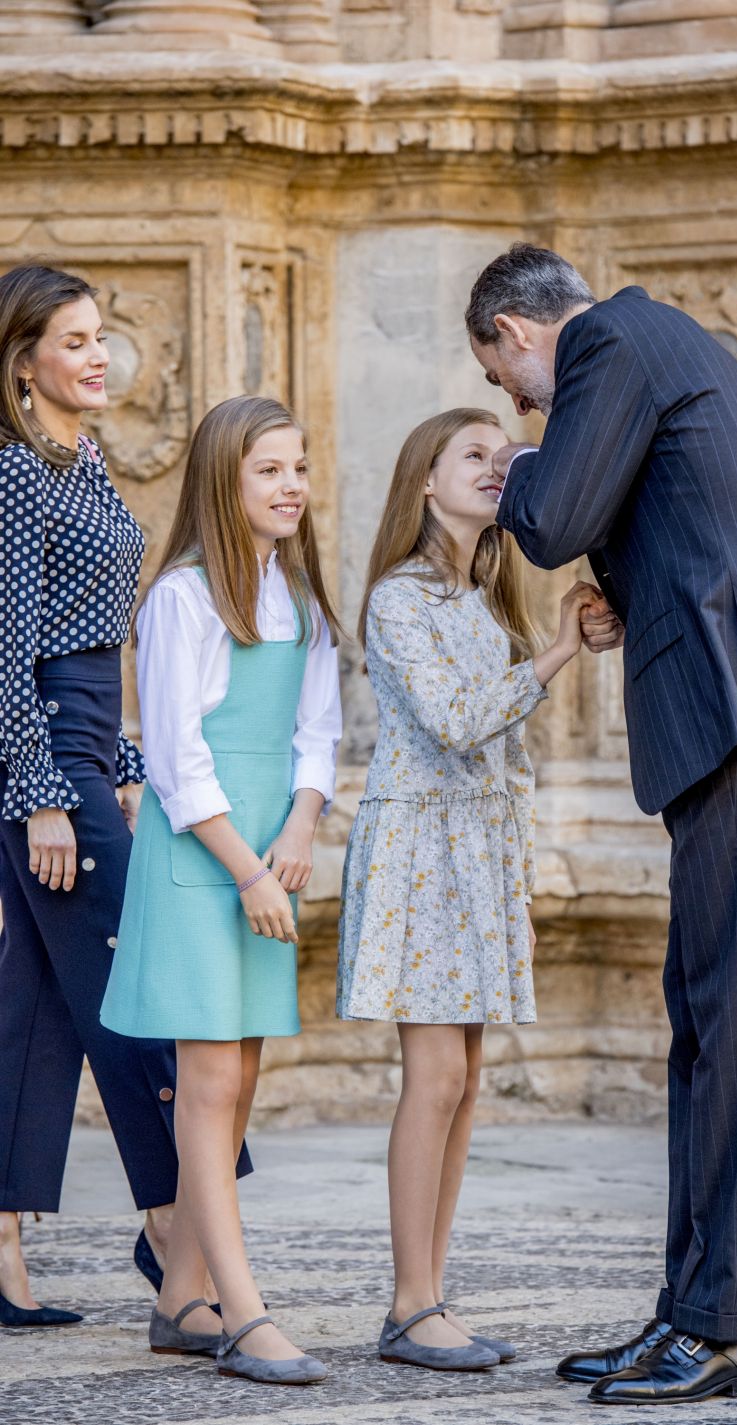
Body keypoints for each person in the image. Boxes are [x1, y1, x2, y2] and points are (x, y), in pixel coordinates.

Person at [465, 244, 737, 1406]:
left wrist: (525, 462)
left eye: (503, 379)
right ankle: (690, 1316)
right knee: (707, 1024)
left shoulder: (607, 343)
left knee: (733, 1030)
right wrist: (641, 596)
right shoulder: (695, 358)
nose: (512, 402)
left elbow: (547, 519)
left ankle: (724, 1330)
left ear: (514, 331)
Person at [337, 407, 599, 1373]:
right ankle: (410, 1304)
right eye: (474, 456)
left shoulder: (488, 598)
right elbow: (453, 719)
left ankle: (432, 1294)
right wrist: (561, 653)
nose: (497, 469)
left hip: (480, 853)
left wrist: (564, 631)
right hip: (423, 852)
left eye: (505, 456)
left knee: (467, 1081)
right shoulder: (399, 597)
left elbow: (502, 738)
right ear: (424, 482)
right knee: (435, 1077)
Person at [100, 396, 341, 1385]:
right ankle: (242, 1313)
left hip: (263, 855)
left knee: (239, 1075)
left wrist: (298, 824)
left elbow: (316, 732)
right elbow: (175, 758)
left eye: (297, 467)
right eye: (268, 471)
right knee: (205, 1080)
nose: (290, 486)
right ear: (222, 484)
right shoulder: (183, 599)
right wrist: (244, 868)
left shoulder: (303, 600)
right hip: (203, 858)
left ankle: (178, 1295)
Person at [0, 262, 201, 1328]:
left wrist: (118, 762)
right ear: (20, 360)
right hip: (39, 754)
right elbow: (6, 650)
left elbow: (92, 643)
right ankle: (175, 1224)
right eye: (71, 340)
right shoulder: (13, 474)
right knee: (140, 988)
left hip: (81, 741)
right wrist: (43, 793)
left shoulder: (80, 466)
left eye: (99, 338)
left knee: (36, 1009)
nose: (96, 356)